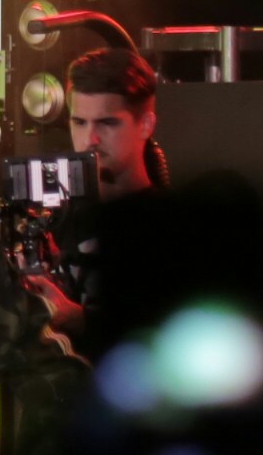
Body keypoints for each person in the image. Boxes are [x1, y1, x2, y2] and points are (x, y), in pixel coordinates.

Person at [23, 42, 167, 351]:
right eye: (79, 122)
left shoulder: (172, 229)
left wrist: (76, 317)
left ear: (145, 125)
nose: (91, 139)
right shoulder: (57, 219)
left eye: (107, 122)